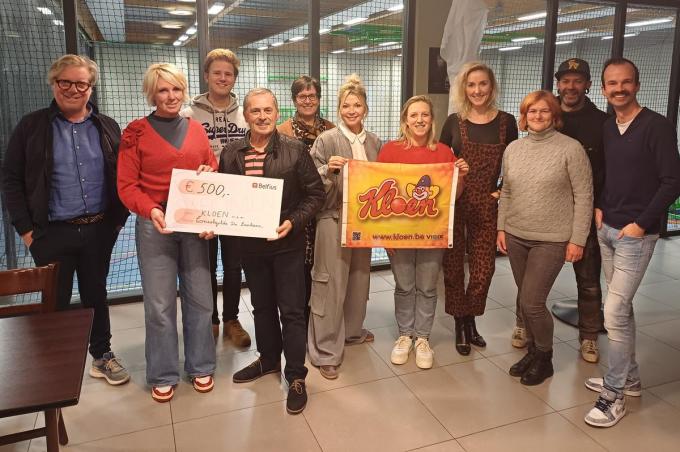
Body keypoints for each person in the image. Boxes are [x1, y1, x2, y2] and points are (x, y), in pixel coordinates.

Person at [3, 54, 130, 385]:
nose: (73, 89)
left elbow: (123, 174)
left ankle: (101, 355)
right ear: (53, 84)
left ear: (91, 87)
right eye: (65, 82)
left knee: (95, 294)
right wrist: (27, 231)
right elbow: (11, 180)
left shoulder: (107, 126)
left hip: (99, 230)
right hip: (51, 234)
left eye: (81, 84)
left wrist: (117, 221)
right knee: (54, 300)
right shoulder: (31, 127)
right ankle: (51, 363)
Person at [584, 58, 680, 428]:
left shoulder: (657, 126)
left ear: (636, 85)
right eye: (612, 83)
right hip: (607, 228)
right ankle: (630, 379)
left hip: (635, 236)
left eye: (625, 82)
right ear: (604, 89)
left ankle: (614, 395)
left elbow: (673, 181)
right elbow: (609, 173)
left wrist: (641, 224)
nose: (619, 89)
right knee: (621, 310)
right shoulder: (609, 127)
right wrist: (599, 206)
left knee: (614, 312)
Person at [117, 63, 217, 402]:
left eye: (176, 89)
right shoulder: (136, 133)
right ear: (151, 93)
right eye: (163, 90)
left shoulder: (196, 129)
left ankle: (201, 365)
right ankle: (162, 372)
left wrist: (208, 170)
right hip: (155, 223)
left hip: (192, 222)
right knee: (159, 304)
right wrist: (152, 210)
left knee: (201, 298)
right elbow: (127, 185)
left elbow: (210, 165)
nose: (171, 96)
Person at [224, 88, 325, 415]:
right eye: (255, 111)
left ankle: (295, 375)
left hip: (287, 246)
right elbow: (225, 198)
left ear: (276, 112)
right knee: (262, 307)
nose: (262, 116)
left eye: (268, 110)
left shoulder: (295, 150)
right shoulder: (231, 153)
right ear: (246, 115)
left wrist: (292, 222)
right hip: (251, 248)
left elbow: (316, 195)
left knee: (292, 311)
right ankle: (268, 359)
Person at [497, 90, 593, 386]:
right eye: (532, 111)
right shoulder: (513, 149)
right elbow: (507, 191)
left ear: (554, 115)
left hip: (551, 239)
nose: (537, 116)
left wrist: (578, 239)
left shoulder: (571, 149)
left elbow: (584, 195)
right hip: (516, 235)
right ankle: (533, 352)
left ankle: (545, 357)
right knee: (526, 300)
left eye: (544, 111)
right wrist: (501, 228)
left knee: (532, 302)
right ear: (524, 117)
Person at [378, 95, 468, 369]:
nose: (419, 120)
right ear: (405, 120)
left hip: (432, 234)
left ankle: (423, 338)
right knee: (405, 286)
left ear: (431, 120)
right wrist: (383, 235)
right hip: (398, 233)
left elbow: (453, 196)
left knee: (428, 287)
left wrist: (461, 175)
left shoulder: (444, 152)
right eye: (414, 115)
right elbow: (379, 193)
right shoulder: (389, 151)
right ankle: (405, 335)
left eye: (424, 115)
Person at [439, 61, 518, 356]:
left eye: (482, 83)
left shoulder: (507, 122)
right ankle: (461, 323)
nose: (477, 90)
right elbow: (440, 163)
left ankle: (471, 316)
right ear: (464, 89)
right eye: (471, 85)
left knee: (484, 269)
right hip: (455, 201)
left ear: (492, 86)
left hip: (487, 204)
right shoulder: (453, 121)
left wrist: (501, 191)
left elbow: (515, 162)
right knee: (453, 266)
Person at [308, 74, 381, 380]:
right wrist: (328, 169)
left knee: (359, 280)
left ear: (365, 108)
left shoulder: (374, 142)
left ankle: (351, 331)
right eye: (346, 105)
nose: (352, 110)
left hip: (364, 222)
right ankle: (325, 349)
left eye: (357, 105)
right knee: (331, 283)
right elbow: (308, 182)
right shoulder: (326, 140)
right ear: (339, 109)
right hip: (333, 218)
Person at [181, 48, 250, 344]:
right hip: (203, 199)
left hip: (236, 198)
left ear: (234, 78)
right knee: (205, 263)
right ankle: (209, 318)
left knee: (234, 263)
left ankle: (232, 319)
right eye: (217, 73)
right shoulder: (188, 114)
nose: (223, 78)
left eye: (228, 74)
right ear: (206, 76)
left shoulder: (245, 113)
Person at [550, 58, 608, 363]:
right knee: (533, 278)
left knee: (588, 280)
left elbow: (608, 169)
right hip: (548, 210)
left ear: (588, 85)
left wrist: (601, 205)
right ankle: (524, 325)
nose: (570, 87)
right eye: (565, 81)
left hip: (584, 211)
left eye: (577, 81)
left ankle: (589, 337)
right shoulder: (548, 115)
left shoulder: (602, 122)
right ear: (558, 84)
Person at [277, 75, 335, 320]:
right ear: (294, 100)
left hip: (324, 205)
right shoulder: (282, 131)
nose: (308, 101)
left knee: (322, 264)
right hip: (296, 208)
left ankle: (319, 317)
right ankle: (297, 315)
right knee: (297, 265)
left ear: (319, 99)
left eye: (312, 96)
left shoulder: (331, 129)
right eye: (302, 96)